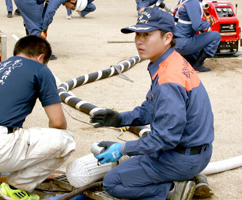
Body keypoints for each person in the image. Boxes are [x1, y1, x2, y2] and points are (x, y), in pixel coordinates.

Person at [90, 7, 214, 200]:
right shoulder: (171, 61)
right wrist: (120, 119)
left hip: (181, 158)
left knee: (113, 182)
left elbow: (165, 139)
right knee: (135, 159)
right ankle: (178, 180)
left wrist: (121, 149)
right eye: (137, 34)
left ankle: (170, 191)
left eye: (147, 34)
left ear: (167, 38)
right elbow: (151, 108)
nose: (139, 40)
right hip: (195, 152)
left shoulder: (168, 79)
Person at [0, 35, 76, 200]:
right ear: (41, 57)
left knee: (7, 130)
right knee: (66, 141)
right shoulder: (39, 69)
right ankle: (15, 187)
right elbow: (58, 123)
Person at [174, 0, 221, 72]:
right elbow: (197, 26)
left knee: (195, 58)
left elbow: (175, 17)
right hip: (183, 44)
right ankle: (198, 65)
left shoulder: (183, 0)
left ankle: (187, 59)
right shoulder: (193, 2)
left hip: (176, 42)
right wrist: (209, 22)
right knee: (216, 35)